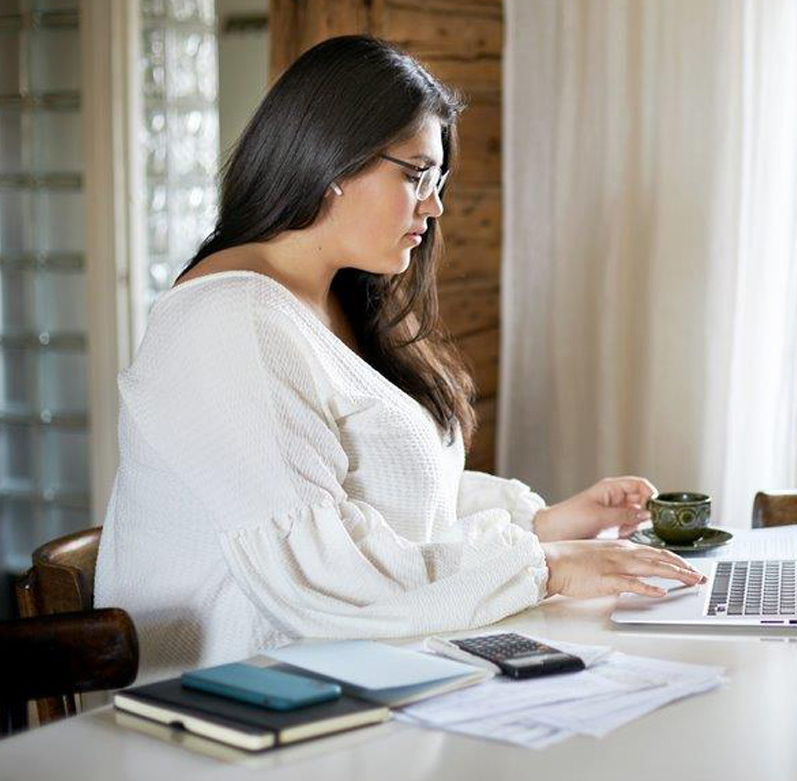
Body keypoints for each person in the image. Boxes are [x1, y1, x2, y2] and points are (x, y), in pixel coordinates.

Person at [94, 35, 704, 679]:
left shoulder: (330, 301)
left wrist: (541, 522)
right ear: (331, 160)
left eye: (436, 179)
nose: (434, 205)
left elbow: (388, 496)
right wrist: (542, 567)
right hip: (236, 712)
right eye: (416, 175)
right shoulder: (229, 322)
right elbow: (320, 575)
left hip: (351, 675)